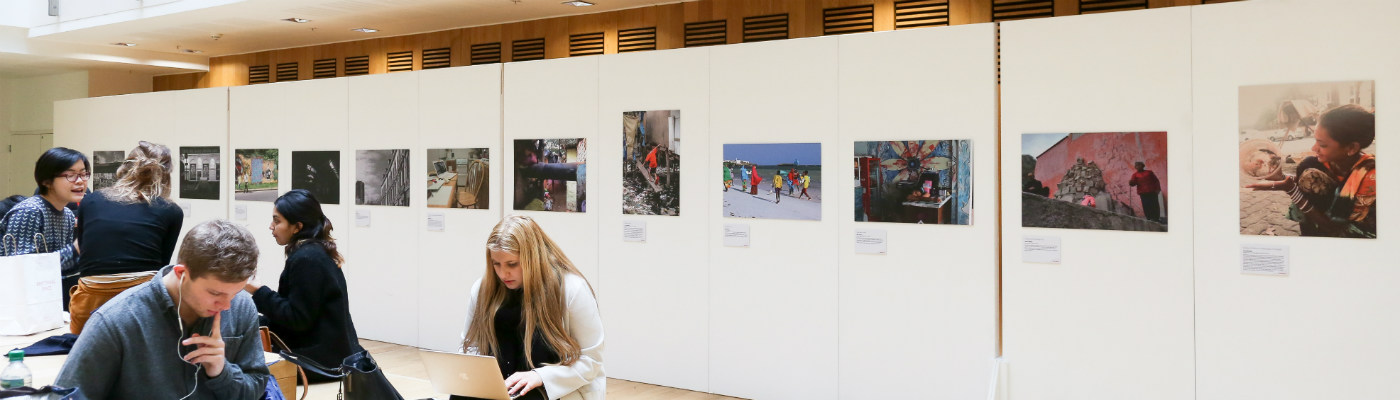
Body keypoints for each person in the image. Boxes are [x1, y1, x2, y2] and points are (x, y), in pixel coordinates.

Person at [54, 220, 270, 399]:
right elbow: (65, 395)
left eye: (235, 292)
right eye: (215, 294)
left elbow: (257, 386)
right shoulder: (116, 321)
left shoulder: (241, 306)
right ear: (181, 274)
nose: (226, 306)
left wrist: (221, 371)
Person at [460, 216, 604, 400]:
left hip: (551, 391)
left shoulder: (572, 289)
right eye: (496, 264)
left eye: (512, 264)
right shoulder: (483, 289)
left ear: (533, 257)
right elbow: (469, 347)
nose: (504, 273)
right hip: (501, 389)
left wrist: (539, 377)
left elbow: (591, 361)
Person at [243, 189, 361, 381]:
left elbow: (297, 319)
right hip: (330, 355)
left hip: (320, 362)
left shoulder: (307, 258)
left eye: (277, 221)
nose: (271, 227)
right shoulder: (313, 252)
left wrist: (258, 291)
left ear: (297, 227)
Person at [69, 141, 184, 309]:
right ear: (166, 175)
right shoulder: (171, 211)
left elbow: (85, 253)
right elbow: (160, 268)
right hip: (140, 303)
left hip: (90, 300)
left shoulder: (91, 200)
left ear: (124, 168)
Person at [1248, 104, 1376, 237]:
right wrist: (1279, 177)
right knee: (1308, 165)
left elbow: (1335, 228)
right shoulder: (1322, 162)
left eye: (1322, 145)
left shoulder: (1371, 179)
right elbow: (1305, 183)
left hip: (1347, 236)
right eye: (1316, 141)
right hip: (1317, 224)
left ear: (1351, 148)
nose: (1314, 148)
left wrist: (1291, 190)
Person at [1, 147, 87, 274]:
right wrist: (76, 249)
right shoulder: (30, 211)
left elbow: (63, 268)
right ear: (46, 181)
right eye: (71, 175)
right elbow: (22, 269)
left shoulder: (67, 215)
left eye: (84, 174)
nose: (80, 181)